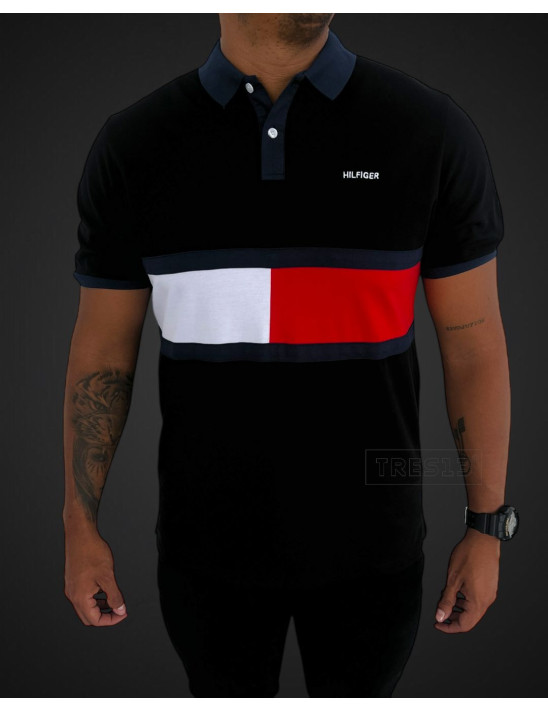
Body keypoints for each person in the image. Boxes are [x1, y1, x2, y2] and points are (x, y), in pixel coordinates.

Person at [63, 13, 515, 697]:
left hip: (377, 555)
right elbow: (103, 354)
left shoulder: (430, 130)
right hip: (204, 557)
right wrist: (80, 528)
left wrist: (487, 529)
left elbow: (475, 349)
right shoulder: (135, 144)